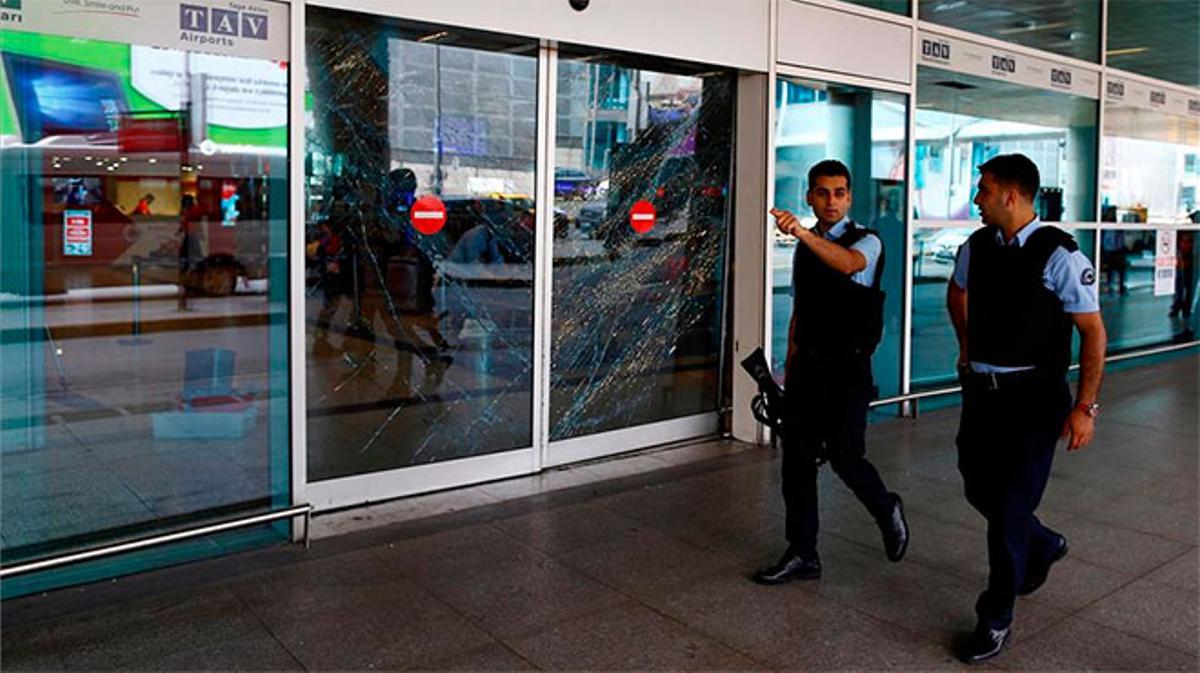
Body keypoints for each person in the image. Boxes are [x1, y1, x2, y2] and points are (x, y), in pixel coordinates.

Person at [946, 154, 1106, 663]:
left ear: (1011, 195)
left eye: (984, 189)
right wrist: (967, 345)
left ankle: (996, 617)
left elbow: (1093, 333)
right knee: (976, 483)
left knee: (1009, 511)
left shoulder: (1059, 255)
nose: (977, 198)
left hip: (1035, 400)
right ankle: (1044, 543)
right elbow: (957, 292)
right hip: (983, 394)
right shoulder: (977, 246)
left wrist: (1086, 407)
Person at [755, 159, 909, 586]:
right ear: (809, 196)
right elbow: (800, 312)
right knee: (797, 464)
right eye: (822, 193)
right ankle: (803, 553)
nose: (831, 201)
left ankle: (886, 508)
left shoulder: (869, 241)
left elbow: (848, 264)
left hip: (848, 368)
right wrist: (787, 367)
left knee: (845, 456)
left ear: (850, 197)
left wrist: (802, 232)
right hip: (808, 367)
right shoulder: (805, 248)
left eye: (839, 192)